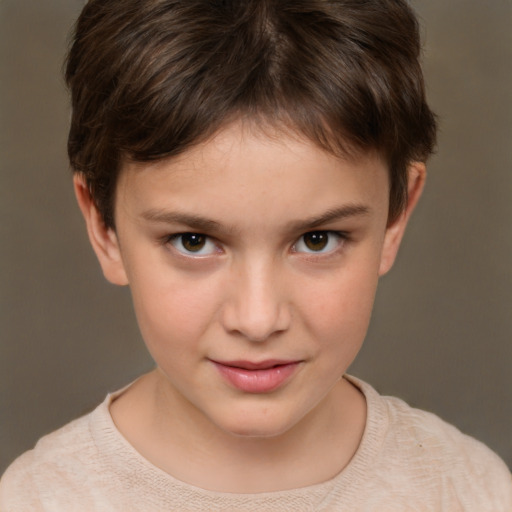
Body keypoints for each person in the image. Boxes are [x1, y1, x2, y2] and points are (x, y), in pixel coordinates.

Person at [1, 0, 511, 509]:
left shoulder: (468, 490)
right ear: (103, 226)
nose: (258, 319)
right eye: (193, 242)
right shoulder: (36, 500)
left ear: (394, 218)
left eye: (318, 239)